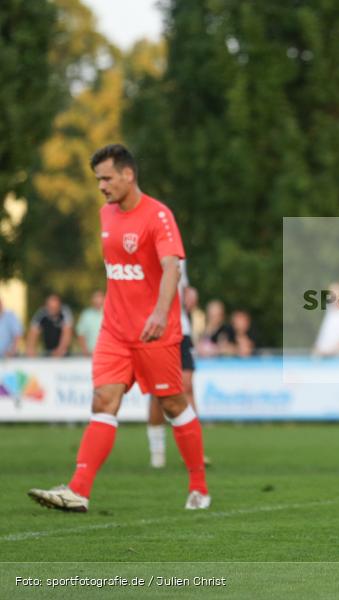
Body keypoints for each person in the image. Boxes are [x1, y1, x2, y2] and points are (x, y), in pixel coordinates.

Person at [28, 144, 210, 512]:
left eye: (107, 178)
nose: (101, 186)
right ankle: (78, 490)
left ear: (129, 175)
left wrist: (160, 313)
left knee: (174, 404)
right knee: (103, 400)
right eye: (98, 179)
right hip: (114, 332)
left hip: (154, 333)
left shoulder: (158, 216)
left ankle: (198, 486)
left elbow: (171, 267)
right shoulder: (105, 215)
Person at [148, 261, 205, 469]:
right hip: (158, 329)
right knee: (158, 394)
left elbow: (184, 287)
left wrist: (190, 293)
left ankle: (193, 451)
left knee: (187, 386)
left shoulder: (178, 255)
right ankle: (157, 450)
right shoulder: (145, 251)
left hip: (183, 329)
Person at [312, 283, 339, 357]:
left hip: (336, 359)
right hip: (321, 356)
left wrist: (327, 352)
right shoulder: (330, 310)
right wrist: (317, 349)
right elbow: (324, 333)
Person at [76, 291, 105, 355]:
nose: (98, 300)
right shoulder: (86, 314)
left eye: (100, 297)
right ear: (92, 300)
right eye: (96, 297)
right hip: (89, 354)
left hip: (106, 354)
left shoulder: (110, 314)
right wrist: (85, 350)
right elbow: (80, 333)